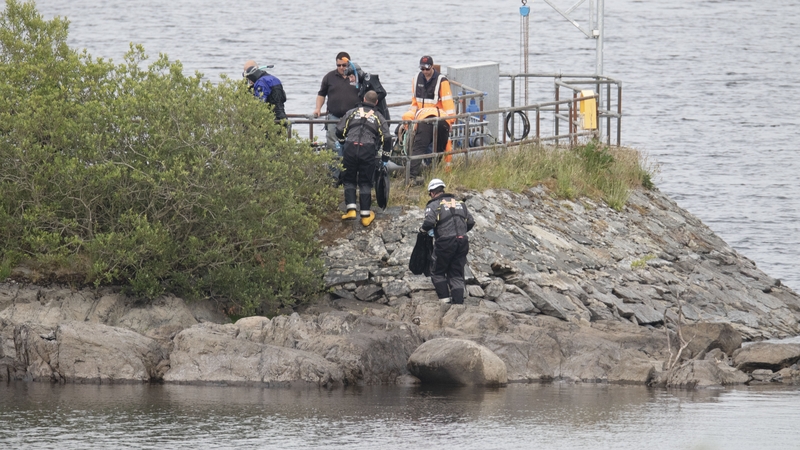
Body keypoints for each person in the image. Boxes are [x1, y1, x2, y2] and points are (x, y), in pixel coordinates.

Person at [335, 90, 392, 227]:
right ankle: (365, 215)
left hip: (350, 148)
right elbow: (387, 138)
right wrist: (385, 157)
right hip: (368, 150)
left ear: (363, 99)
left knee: (349, 179)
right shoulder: (379, 117)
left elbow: (339, 130)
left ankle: (351, 210)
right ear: (376, 102)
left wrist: (342, 142)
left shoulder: (352, 112)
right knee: (365, 182)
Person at [419, 178, 475, 304]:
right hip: (462, 242)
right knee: (456, 273)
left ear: (432, 192)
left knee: (437, 271)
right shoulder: (460, 203)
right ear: (442, 189)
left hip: (444, 242)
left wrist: (422, 231)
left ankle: (445, 303)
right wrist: (461, 232)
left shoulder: (433, 204)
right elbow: (471, 222)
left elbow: (428, 223)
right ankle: (458, 304)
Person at [407, 56, 456, 181]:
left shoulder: (441, 81)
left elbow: (448, 103)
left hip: (440, 118)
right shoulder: (416, 79)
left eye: (427, 68)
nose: (424, 71)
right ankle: (412, 175)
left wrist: (450, 121)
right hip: (423, 119)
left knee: (440, 146)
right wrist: (409, 118)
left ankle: (433, 170)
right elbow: (414, 103)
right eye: (422, 69)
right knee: (419, 145)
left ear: (432, 66)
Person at [314, 52, 361, 155]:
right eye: (338, 65)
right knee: (333, 145)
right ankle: (334, 170)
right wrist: (318, 108)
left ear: (349, 64)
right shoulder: (329, 77)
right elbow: (321, 94)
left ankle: (349, 169)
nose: (341, 67)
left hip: (353, 118)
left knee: (352, 144)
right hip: (334, 117)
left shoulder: (357, 76)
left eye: (344, 65)